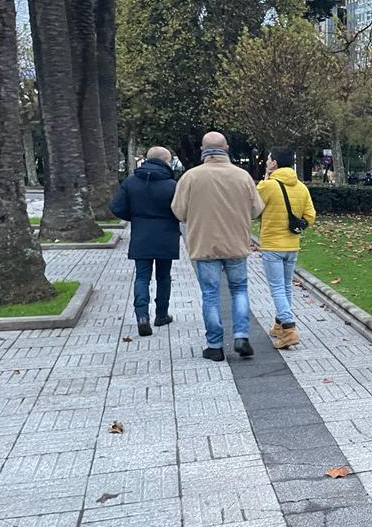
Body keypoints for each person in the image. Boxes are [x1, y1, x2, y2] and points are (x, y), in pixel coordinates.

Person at [171, 131, 264, 361]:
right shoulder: (242, 177)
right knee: (239, 289)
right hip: (236, 243)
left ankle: (214, 346)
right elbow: (256, 210)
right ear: (227, 148)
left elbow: (179, 212)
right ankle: (241, 336)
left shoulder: (191, 177)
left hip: (205, 244)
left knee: (210, 294)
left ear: (203, 150)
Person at [109, 146, 180, 337]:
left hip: (141, 235)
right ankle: (161, 314)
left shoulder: (131, 182)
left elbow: (116, 207)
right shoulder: (172, 185)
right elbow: (181, 211)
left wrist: (136, 217)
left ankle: (142, 316)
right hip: (166, 235)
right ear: (166, 162)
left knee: (142, 277)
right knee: (164, 277)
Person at [257, 147, 316, 349]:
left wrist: (265, 180)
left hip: (272, 244)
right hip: (292, 244)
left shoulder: (268, 186)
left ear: (274, 163)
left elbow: (252, 210)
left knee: (277, 288)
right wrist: (297, 227)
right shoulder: (301, 187)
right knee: (286, 286)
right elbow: (310, 216)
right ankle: (279, 325)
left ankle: (289, 330)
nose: (266, 161)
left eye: (268, 159)